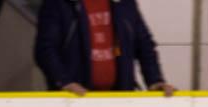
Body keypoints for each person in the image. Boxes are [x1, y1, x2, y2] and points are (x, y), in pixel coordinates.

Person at [34, 0, 175, 96]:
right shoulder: (59, 4)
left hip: (119, 100)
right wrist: (64, 82)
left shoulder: (124, 3)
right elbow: (45, 49)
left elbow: (144, 45)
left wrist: (155, 80)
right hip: (75, 100)